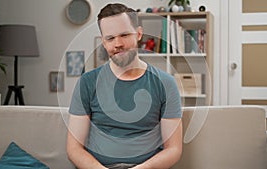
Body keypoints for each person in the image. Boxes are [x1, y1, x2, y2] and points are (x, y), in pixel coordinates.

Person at [66, 3, 183, 169]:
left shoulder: (166, 84)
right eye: (110, 38)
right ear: (104, 42)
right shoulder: (87, 83)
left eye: (124, 35)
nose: (118, 43)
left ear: (139, 34)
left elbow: (174, 149)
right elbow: (73, 148)